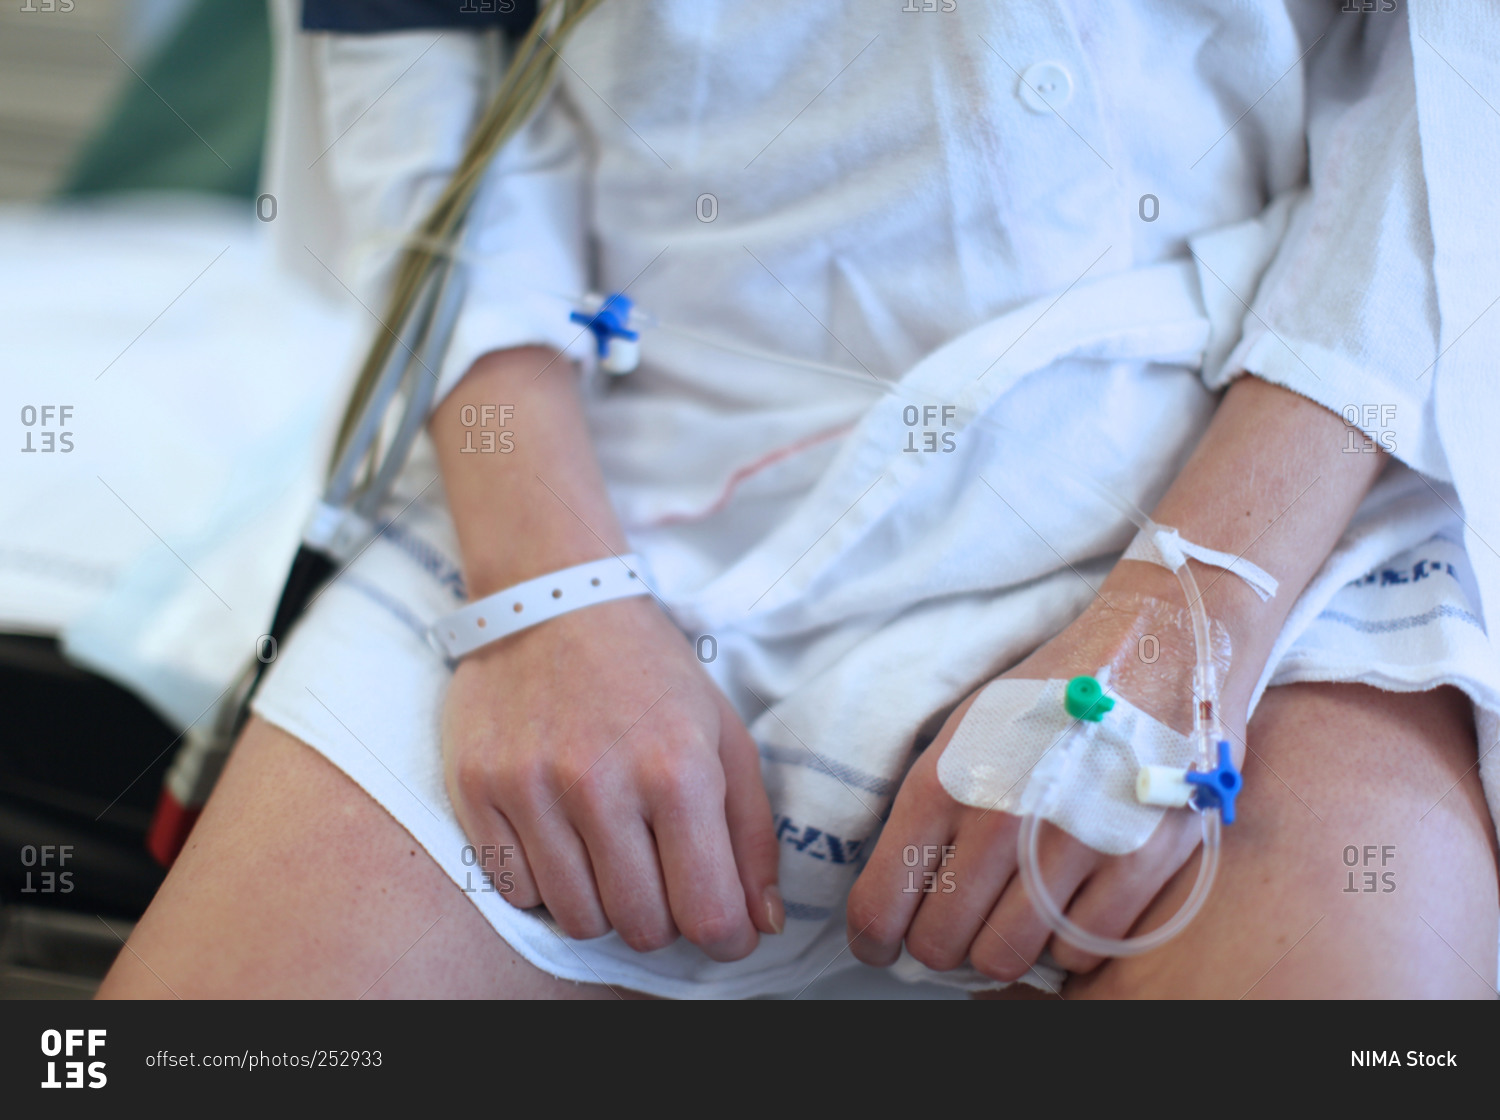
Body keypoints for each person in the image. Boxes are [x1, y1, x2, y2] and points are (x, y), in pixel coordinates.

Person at [100, 0, 1499, 999]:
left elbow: (1457, 78)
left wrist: (1195, 606)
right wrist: (549, 596)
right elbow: (420, 46)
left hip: (1280, 467)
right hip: (610, 461)